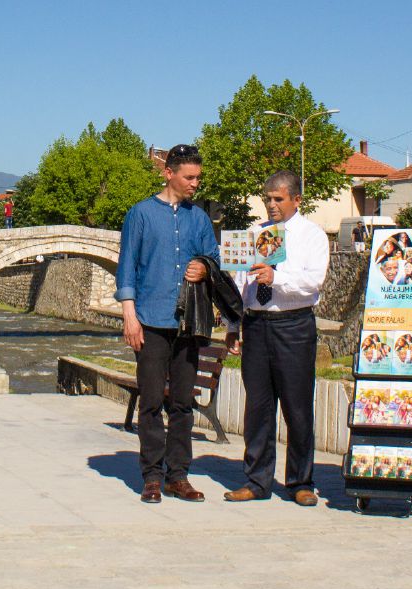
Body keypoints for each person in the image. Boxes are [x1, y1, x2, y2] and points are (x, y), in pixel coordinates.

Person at [115, 143, 219, 504]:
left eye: (198, 178)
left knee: (182, 404)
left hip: (188, 324)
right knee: (150, 402)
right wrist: (130, 316)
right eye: (189, 177)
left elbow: (214, 259)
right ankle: (152, 477)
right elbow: (127, 267)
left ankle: (179, 476)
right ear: (168, 173)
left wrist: (204, 267)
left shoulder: (199, 219)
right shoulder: (140, 214)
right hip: (150, 320)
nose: (195, 184)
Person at [222, 170, 330, 507]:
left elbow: (314, 282)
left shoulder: (312, 235)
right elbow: (240, 284)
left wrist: (276, 277)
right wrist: (232, 324)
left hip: (293, 325)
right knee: (258, 407)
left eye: (278, 199)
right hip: (257, 325)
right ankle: (257, 480)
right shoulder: (254, 233)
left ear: (296, 200)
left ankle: (301, 481)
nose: (271, 205)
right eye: (267, 199)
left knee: (297, 407)